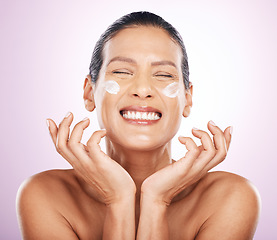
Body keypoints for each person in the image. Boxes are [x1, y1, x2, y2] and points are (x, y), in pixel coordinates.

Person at [16, 11, 260, 239]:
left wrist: (156, 200)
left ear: (188, 99)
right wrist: (119, 199)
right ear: (90, 93)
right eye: (122, 71)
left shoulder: (230, 197)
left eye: (164, 75)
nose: (143, 90)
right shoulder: (45, 195)